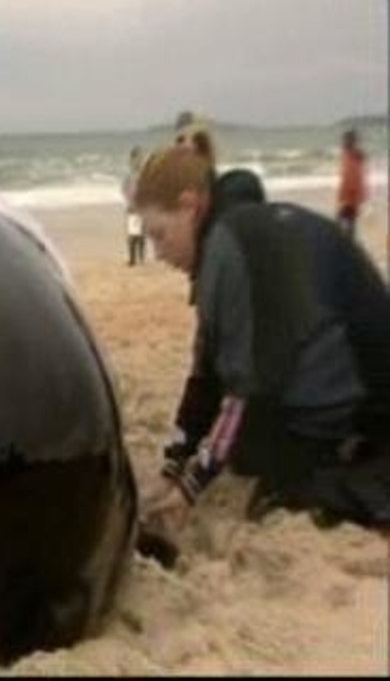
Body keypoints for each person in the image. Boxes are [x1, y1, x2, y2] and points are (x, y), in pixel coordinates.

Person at [134, 145, 390, 560]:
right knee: (243, 449)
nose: (158, 253)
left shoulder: (232, 247)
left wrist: (189, 488)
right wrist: (174, 466)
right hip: (342, 380)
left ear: (189, 206)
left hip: (366, 400)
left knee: (267, 475)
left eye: (160, 235)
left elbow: (247, 388)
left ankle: (365, 478)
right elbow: (208, 372)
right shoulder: (231, 236)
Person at [335, 127, 367, 240]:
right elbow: (348, 176)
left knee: (343, 221)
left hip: (351, 196)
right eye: (343, 139)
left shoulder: (353, 156)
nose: (342, 142)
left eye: (345, 140)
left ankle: (347, 246)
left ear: (351, 141)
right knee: (347, 222)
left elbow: (354, 177)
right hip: (349, 195)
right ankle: (348, 244)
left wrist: (349, 197)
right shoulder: (349, 154)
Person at [122, 145, 146, 266]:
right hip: (133, 206)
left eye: (140, 157)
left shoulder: (144, 173)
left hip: (142, 206)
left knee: (141, 234)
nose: (138, 160)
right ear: (131, 160)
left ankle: (141, 258)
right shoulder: (129, 174)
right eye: (136, 158)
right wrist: (129, 202)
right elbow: (124, 189)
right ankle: (132, 259)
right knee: (133, 233)